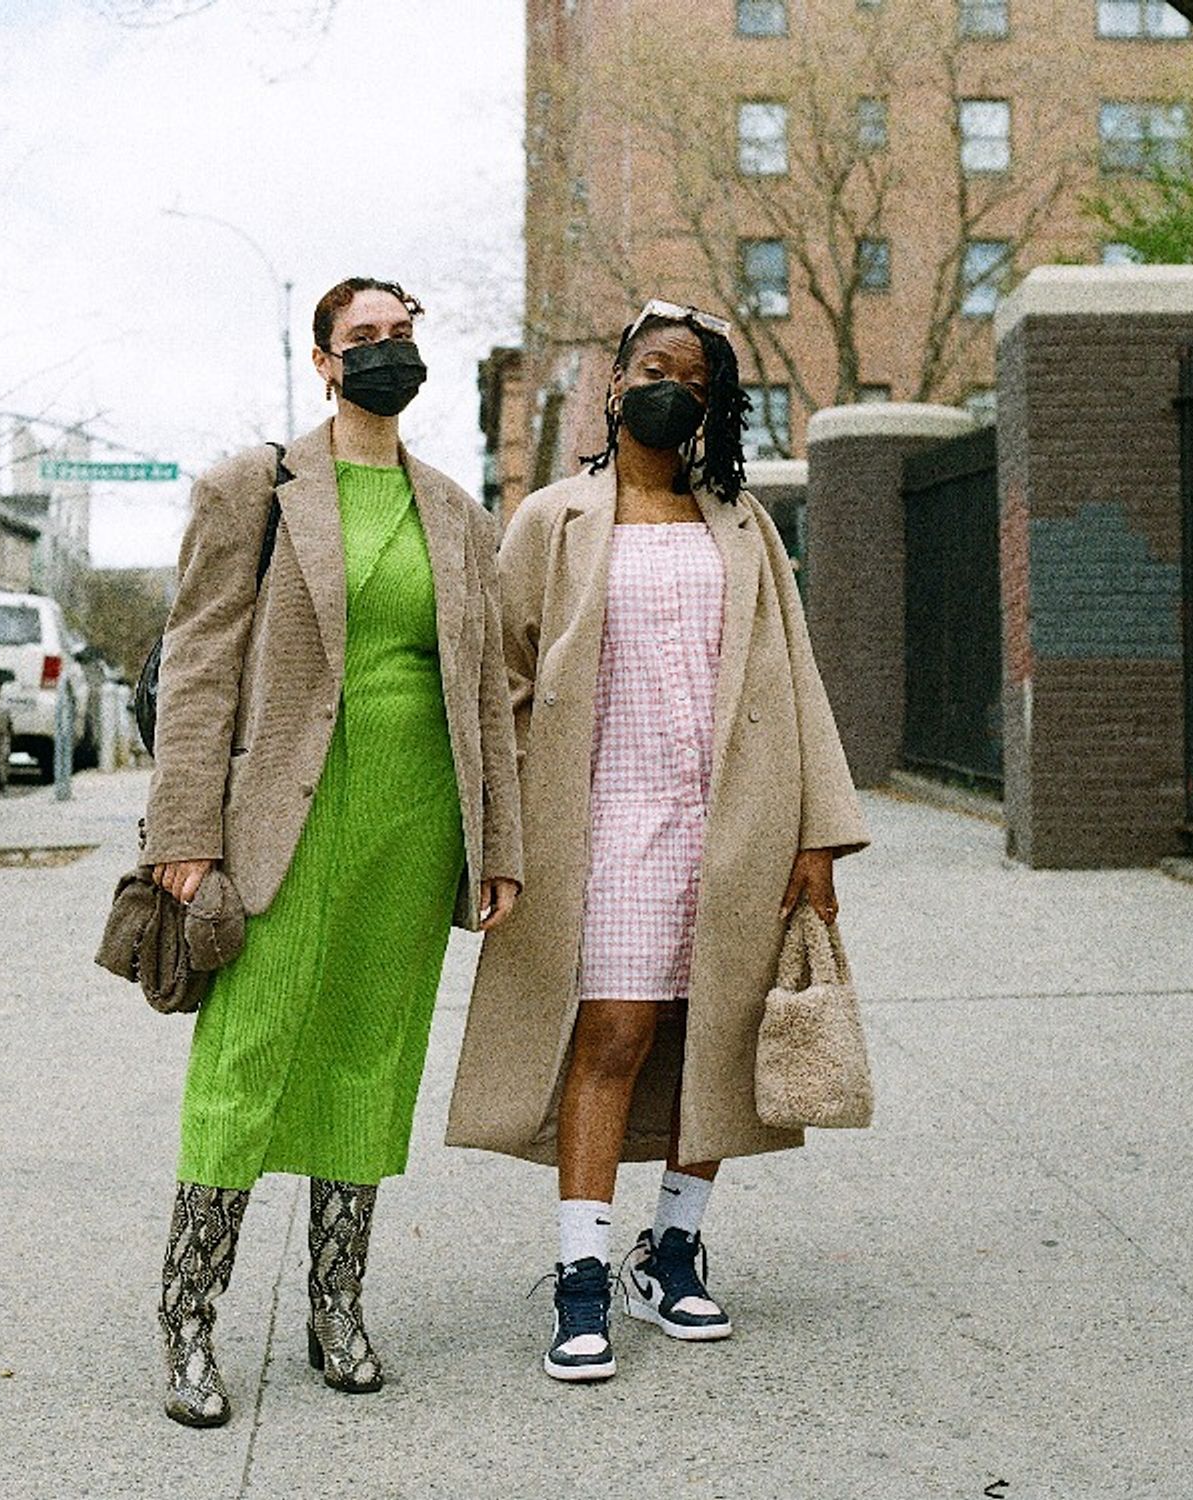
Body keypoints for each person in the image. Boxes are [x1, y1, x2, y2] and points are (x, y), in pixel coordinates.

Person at [444, 300, 869, 1382]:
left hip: (736, 816)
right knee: (612, 1033)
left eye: (686, 374)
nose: (662, 384)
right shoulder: (551, 519)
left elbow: (793, 676)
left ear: (711, 403)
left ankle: (669, 1253)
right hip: (603, 819)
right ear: (614, 386)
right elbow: (501, 679)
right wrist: (497, 827)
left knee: (715, 1036)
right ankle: (580, 1275)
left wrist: (814, 833)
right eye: (646, 367)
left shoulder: (742, 524)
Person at [142, 277, 522, 1427]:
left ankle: (336, 1308)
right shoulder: (250, 489)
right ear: (321, 362)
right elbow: (198, 661)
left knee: (370, 1056)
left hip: (412, 827)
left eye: (403, 338)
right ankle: (188, 1321)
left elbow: (484, 694)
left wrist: (495, 843)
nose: (386, 354)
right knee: (245, 1057)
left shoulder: (457, 513)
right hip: (278, 823)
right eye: (364, 339)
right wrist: (184, 834)